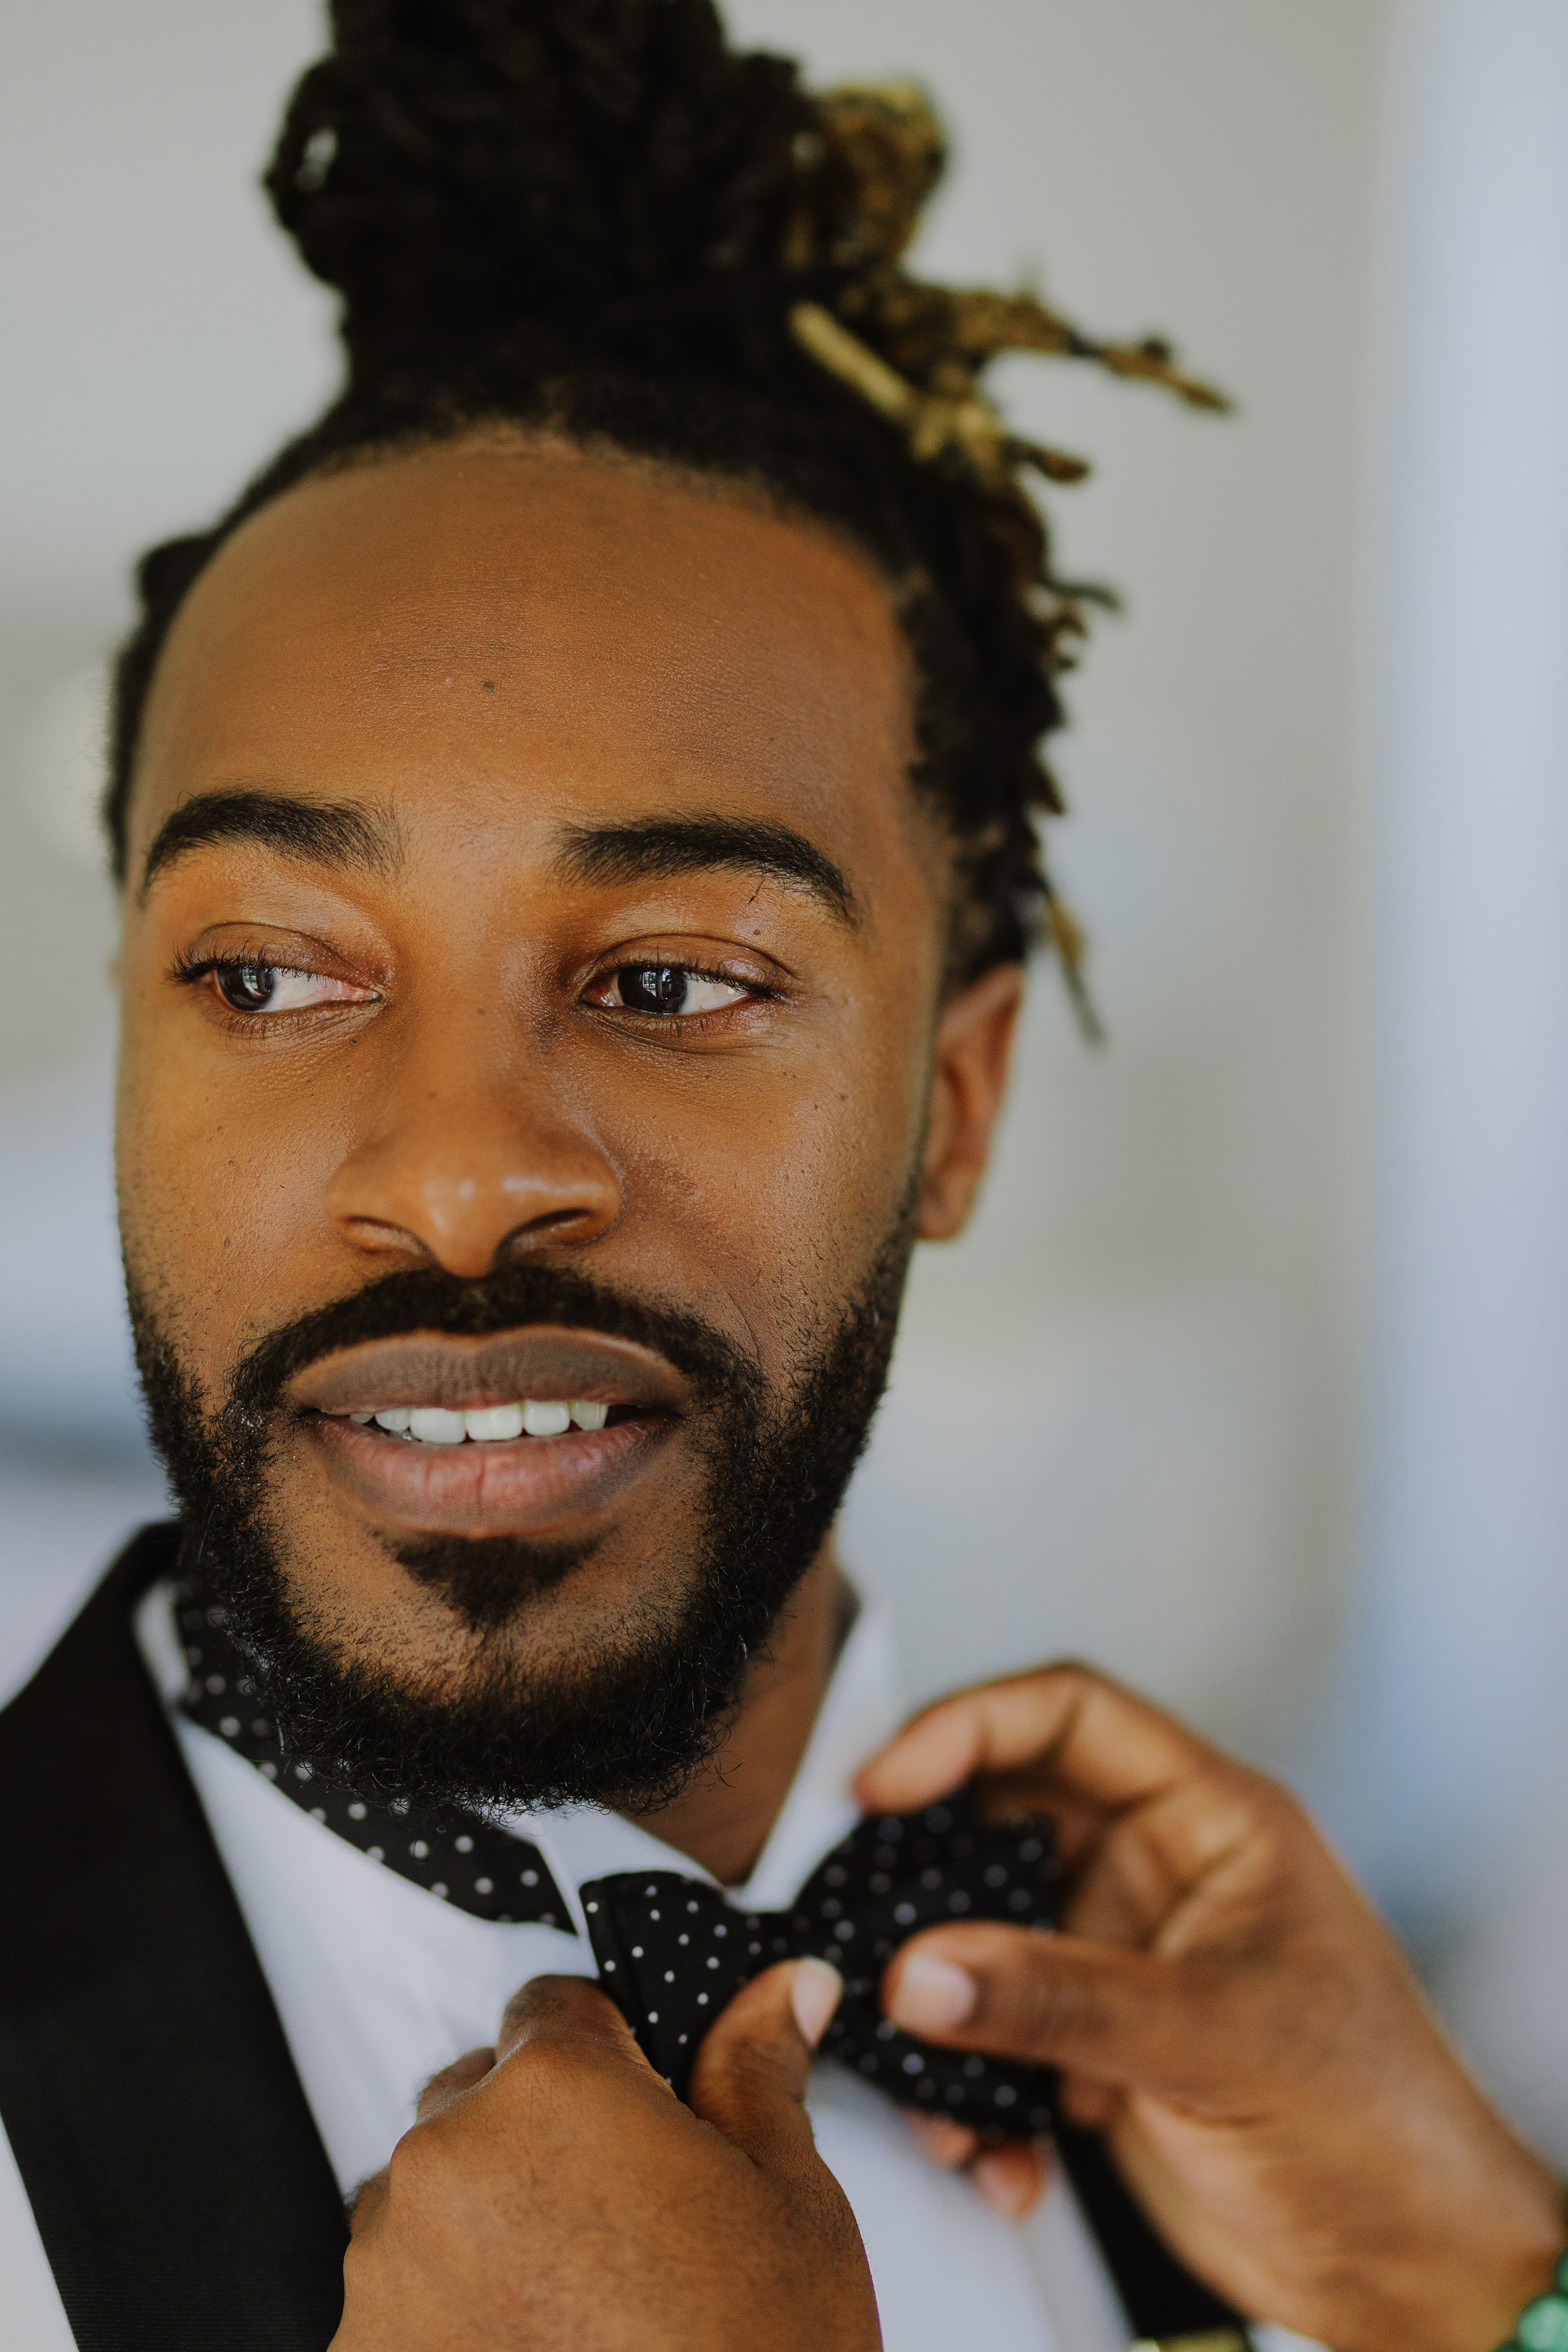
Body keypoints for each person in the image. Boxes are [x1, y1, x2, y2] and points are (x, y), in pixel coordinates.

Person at [2, 5, 1559, 2349]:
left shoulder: (1324, 2142)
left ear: (957, 1102)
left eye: (672, 984)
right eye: (267, 972)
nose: (452, 1184)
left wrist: (1499, 2292)